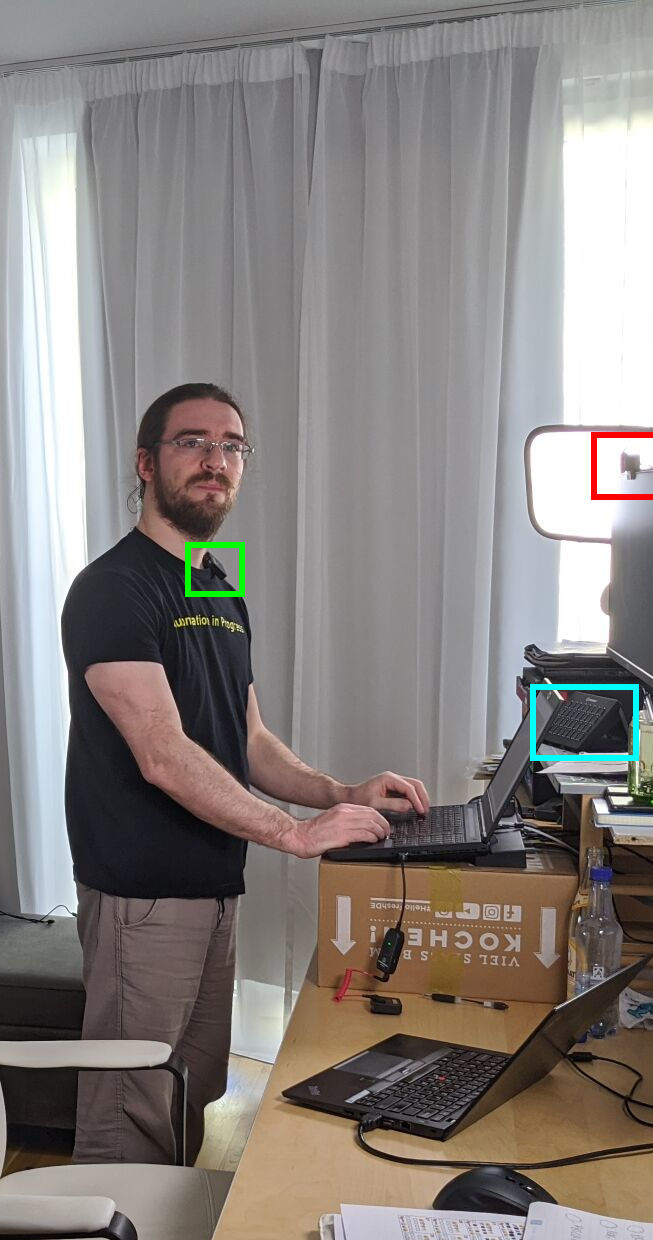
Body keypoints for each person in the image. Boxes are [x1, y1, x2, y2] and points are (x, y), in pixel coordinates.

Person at [62, 382, 430, 1165]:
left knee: (191, 1095)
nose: (215, 460)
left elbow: (248, 737)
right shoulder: (111, 590)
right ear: (145, 463)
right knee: (131, 1117)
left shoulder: (214, 583)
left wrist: (341, 792)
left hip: (214, 890)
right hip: (144, 899)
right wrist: (293, 833)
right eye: (192, 442)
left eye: (232, 446)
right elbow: (163, 754)